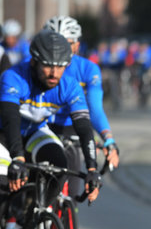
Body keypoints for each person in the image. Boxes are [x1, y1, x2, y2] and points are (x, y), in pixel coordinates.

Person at [0, 30, 102, 229]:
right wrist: (17, 158)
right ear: (34, 61)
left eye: (61, 66)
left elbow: (84, 128)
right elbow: (10, 120)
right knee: (3, 180)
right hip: (4, 134)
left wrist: (92, 168)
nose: (54, 73)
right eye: (47, 65)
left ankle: (33, 218)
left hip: (35, 131)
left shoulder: (69, 85)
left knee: (60, 165)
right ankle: (7, 224)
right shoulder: (14, 76)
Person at [42, 16, 120, 198]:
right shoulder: (39, 67)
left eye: (67, 43)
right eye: (54, 43)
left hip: (72, 127)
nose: (59, 49)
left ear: (77, 45)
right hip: (42, 126)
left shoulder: (88, 69)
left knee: (73, 191)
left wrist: (108, 139)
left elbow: (95, 109)